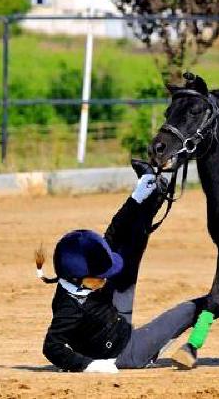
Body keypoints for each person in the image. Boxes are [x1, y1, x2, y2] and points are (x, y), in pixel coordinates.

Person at [34, 160, 202, 373]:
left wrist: (136, 197)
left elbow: (113, 234)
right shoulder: (69, 308)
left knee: (129, 245)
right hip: (128, 352)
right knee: (187, 311)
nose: (105, 278)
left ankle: (153, 191)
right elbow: (51, 346)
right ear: (79, 278)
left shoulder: (82, 278)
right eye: (100, 275)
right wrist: (89, 365)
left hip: (115, 314)